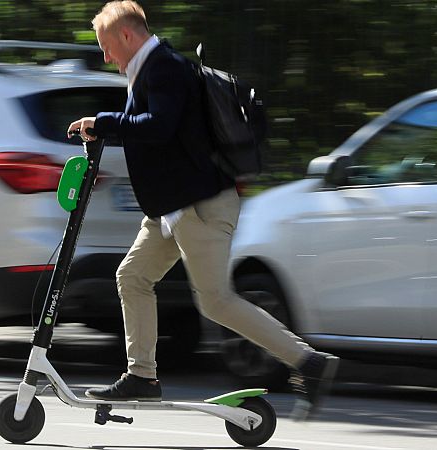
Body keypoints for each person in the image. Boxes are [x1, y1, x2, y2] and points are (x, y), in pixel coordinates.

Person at [67, 0, 339, 421]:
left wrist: (102, 123)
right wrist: (105, 125)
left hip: (200, 208)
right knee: (132, 276)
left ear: (126, 36)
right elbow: (156, 130)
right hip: (172, 209)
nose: (105, 58)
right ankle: (142, 375)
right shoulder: (150, 69)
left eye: (106, 47)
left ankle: (308, 362)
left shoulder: (166, 68)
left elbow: (157, 126)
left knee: (215, 301)